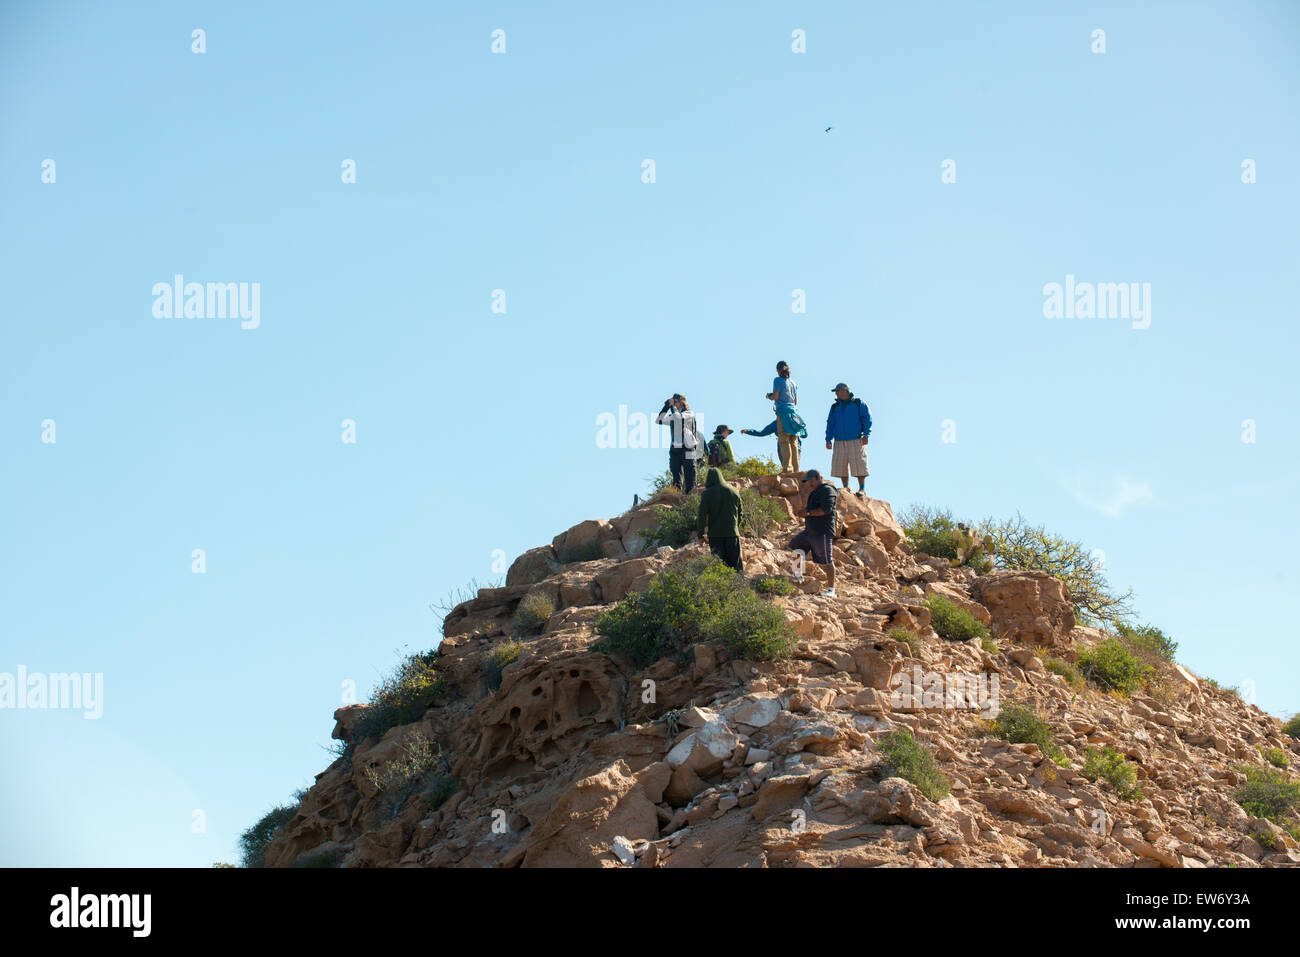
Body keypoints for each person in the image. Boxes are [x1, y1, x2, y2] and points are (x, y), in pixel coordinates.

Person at [790, 469, 838, 597]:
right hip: (810, 531)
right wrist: (803, 512)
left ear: (819, 477)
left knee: (826, 560)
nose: (809, 483)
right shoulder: (814, 492)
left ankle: (831, 590)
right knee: (796, 545)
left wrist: (809, 513)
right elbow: (810, 509)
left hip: (822, 532)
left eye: (811, 480)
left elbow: (826, 509)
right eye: (808, 481)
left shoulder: (828, 490)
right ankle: (798, 576)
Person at [825, 382, 872, 497]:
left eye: (837, 391)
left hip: (856, 438)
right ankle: (846, 488)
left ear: (844, 391)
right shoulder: (835, 407)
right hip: (839, 439)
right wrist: (828, 438)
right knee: (841, 465)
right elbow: (830, 423)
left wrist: (866, 434)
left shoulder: (858, 403)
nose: (836, 394)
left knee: (859, 464)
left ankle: (862, 489)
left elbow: (867, 418)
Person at [697, 468, 744, 572]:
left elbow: (702, 516)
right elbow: (740, 513)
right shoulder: (734, 492)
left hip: (715, 536)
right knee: (736, 565)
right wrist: (735, 527)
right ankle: (741, 587)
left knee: (720, 567)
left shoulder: (707, 494)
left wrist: (700, 535)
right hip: (732, 534)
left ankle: (724, 588)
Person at [656, 394, 705, 493]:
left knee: (690, 475)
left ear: (682, 402)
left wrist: (672, 407)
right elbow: (659, 420)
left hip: (688, 447)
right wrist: (666, 407)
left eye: (676, 401)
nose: (674, 404)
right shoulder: (674, 415)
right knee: (675, 474)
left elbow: (679, 418)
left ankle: (690, 497)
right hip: (675, 448)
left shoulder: (689, 414)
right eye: (673, 402)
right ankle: (676, 495)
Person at [765, 361, 802, 473]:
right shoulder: (793, 383)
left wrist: (769, 396)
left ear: (778, 370)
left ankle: (787, 468)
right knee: (794, 440)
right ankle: (796, 469)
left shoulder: (777, 380)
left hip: (783, 412)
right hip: (794, 413)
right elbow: (795, 401)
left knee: (784, 440)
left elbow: (776, 396)